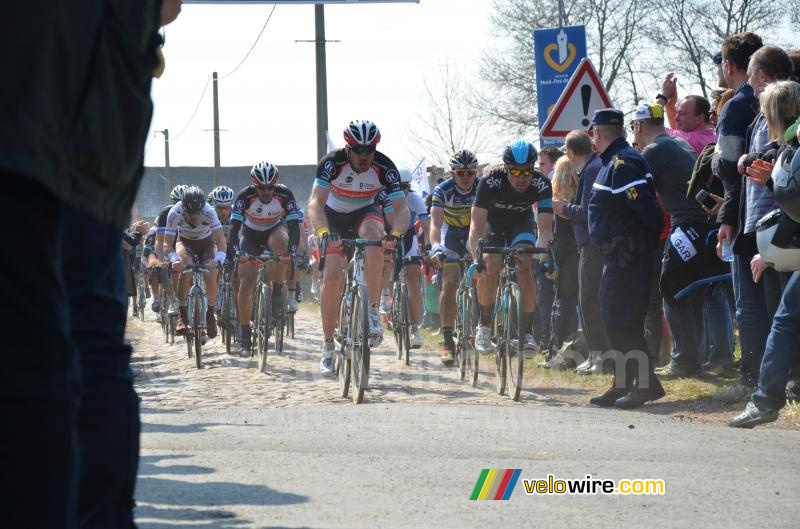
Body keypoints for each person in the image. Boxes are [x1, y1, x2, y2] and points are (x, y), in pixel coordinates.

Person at [1, 1, 178, 527]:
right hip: (106, 81)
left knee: (24, 336)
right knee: (91, 334)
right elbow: (168, 8)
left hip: (29, 75)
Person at [715, 43, 794, 403]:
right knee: (776, 307)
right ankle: (774, 380)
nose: (746, 84)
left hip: (777, 222)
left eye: (750, 75)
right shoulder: (761, 113)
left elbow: (729, 167)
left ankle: (764, 382)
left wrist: (750, 162)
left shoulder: (776, 106)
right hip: (761, 220)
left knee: (769, 308)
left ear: (761, 75)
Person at [631, 103, 729, 378]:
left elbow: (632, 188)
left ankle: (684, 360)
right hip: (701, 223)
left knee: (672, 291)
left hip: (687, 225)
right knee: (691, 294)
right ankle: (695, 359)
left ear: (638, 126)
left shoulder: (653, 151)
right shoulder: (673, 143)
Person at [307, 120, 409, 375]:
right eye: (358, 150)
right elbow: (315, 205)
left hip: (365, 211)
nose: (365, 156)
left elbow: (401, 210)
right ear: (348, 148)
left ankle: (372, 311)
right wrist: (324, 233)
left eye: (370, 150)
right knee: (332, 277)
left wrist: (395, 234)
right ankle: (329, 344)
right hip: (333, 217)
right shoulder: (332, 163)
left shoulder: (385, 167)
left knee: (375, 236)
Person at [586, 109, 666, 409]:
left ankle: (645, 385)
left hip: (629, 255)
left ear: (596, 134)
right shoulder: (612, 162)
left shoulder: (624, 163)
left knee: (622, 321)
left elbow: (648, 213)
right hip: (619, 255)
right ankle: (623, 383)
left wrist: (633, 244)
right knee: (616, 320)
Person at [468, 140, 554, 354]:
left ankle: (526, 332)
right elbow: (476, 226)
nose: (522, 177)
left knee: (525, 263)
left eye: (527, 171)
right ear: (506, 168)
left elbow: (544, 230)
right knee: (491, 264)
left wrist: (545, 258)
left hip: (520, 223)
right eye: (515, 171)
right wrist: (475, 259)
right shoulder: (489, 181)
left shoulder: (542, 183)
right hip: (492, 224)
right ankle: (485, 326)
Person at [553, 131, 612, 373]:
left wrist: (563, 208)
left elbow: (588, 212)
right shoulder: (594, 166)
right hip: (591, 244)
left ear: (570, 152)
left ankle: (599, 358)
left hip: (593, 244)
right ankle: (596, 356)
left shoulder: (590, 169)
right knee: (588, 301)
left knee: (589, 301)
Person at [226, 162, 301, 354]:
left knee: (282, 246)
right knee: (246, 282)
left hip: (275, 231)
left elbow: (294, 228)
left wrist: (291, 252)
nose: (266, 191)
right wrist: (237, 253)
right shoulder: (245, 196)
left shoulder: (285, 195)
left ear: (275, 185)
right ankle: (244, 336)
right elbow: (234, 228)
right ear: (254, 185)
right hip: (250, 236)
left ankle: (277, 290)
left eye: (270, 187)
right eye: (262, 187)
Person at [430, 149, 480, 364]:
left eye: (470, 172)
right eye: (461, 173)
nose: (466, 177)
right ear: (452, 174)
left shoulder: (481, 188)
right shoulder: (443, 190)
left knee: (486, 273)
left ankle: (485, 327)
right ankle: (447, 340)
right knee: (450, 283)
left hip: (473, 232)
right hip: (449, 234)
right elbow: (434, 225)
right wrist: (435, 247)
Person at [163, 186, 226, 338]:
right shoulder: (174, 212)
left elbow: (221, 241)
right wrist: (174, 260)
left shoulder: (210, 211)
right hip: (185, 243)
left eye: (197, 213)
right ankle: (182, 314)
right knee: (184, 271)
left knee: (211, 275)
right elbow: (167, 243)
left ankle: (210, 313)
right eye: (190, 213)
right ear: (183, 208)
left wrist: (218, 260)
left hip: (207, 243)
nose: (194, 217)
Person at [377, 169, 429, 349]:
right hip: (387, 235)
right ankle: (384, 297)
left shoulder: (414, 199)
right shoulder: (382, 196)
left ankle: (414, 329)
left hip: (408, 238)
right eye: (396, 187)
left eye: (405, 187)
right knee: (385, 263)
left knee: (413, 279)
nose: (400, 190)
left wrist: (428, 246)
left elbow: (425, 224)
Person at [547, 156, 580, 354]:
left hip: (565, 255)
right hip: (581, 253)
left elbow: (558, 235)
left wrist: (553, 262)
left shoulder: (557, 200)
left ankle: (557, 349)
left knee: (561, 303)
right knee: (579, 303)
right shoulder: (580, 197)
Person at [656, 74, 717, 154]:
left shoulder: (689, 140)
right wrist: (670, 106)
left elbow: (651, 126)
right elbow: (677, 128)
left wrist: (663, 96)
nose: (676, 118)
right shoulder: (714, 136)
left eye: (682, 114)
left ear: (699, 118)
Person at [156, 184, 187, 317]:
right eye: (176, 202)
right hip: (168, 243)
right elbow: (160, 241)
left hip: (184, 243)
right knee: (164, 270)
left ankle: (187, 301)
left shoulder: (194, 210)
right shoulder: (165, 214)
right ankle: (173, 299)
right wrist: (162, 259)